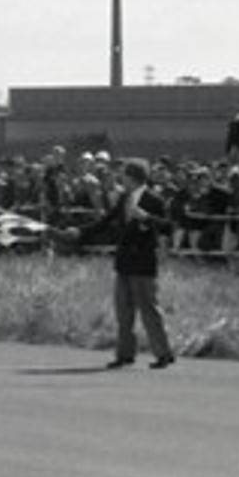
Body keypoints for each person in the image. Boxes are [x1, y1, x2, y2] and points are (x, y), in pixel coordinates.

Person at [64, 158, 176, 369]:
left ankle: (163, 353)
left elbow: (168, 227)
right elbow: (106, 221)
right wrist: (80, 231)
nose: (121, 178)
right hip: (124, 261)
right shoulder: (124, 198)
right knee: (123, 311)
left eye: (124, 174)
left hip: (143, 262)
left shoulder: (154, 200)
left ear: (133, 177)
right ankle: (125, 354)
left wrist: (146, 217)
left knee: (149, 309)